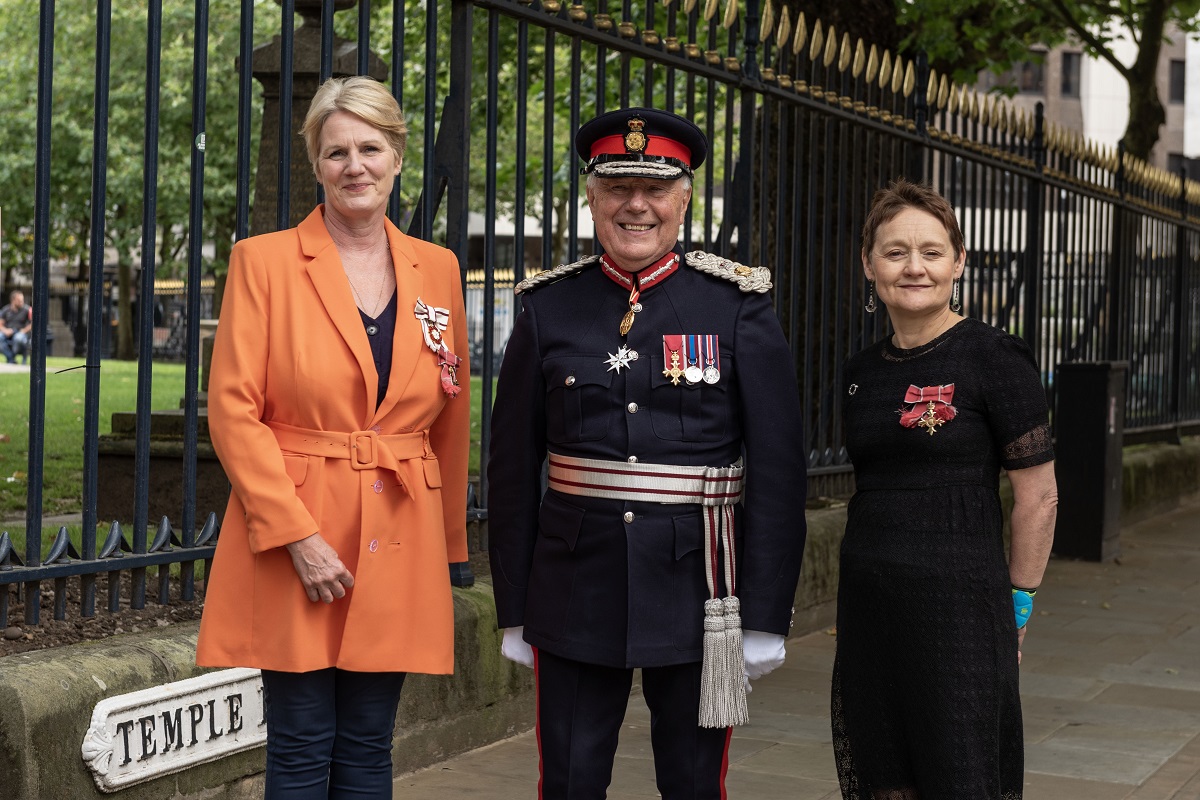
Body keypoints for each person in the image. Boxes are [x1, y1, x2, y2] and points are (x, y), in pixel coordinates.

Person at [487, 107, 808, 799]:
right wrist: (514, 606)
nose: (637, 205)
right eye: (617, 187)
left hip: (701, 592)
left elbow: (781, 475)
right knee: (568, 783)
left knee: (694, 785)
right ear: (593, 197)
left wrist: (765, 613)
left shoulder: (738, 307)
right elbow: (511, 472)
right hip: (575, 586)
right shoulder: (548, 309)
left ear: (684, 198)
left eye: (655, 188)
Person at [196, 75, 470, 799]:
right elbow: (232, 409)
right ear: (316, 163)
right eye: (336, 150)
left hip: (400, 532)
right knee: (301, 743)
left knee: (369, 747)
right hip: (299, 532)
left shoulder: (438, 270)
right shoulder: (264, 262)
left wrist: (447, 549)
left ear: (398, 157)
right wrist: (295, 535)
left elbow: (450, 412)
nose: (355, 165)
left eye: (370, 147)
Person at [832, 179, 1058, 799]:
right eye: (896, 251)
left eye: (932, 251)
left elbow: (1039, 497)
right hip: (870, 612)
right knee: (886, 776)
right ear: (869, 264)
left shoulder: (995, 358)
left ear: (959, 261)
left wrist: (1017, 606)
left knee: (961, 775)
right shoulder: (860, 374)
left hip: (961, 614)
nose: (914, 267)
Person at [0, 290, 33, 364]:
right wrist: (6, 331)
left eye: (22, 300)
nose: (22, 302)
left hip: (21, 333)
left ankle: (11, 358)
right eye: (19, 300)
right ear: (13, 300)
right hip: (9, 332)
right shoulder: (6, 310)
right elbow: (0, 324)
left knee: (18, 338)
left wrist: (24, 330)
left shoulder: (27, 310)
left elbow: (33, 323)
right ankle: (11, 358)